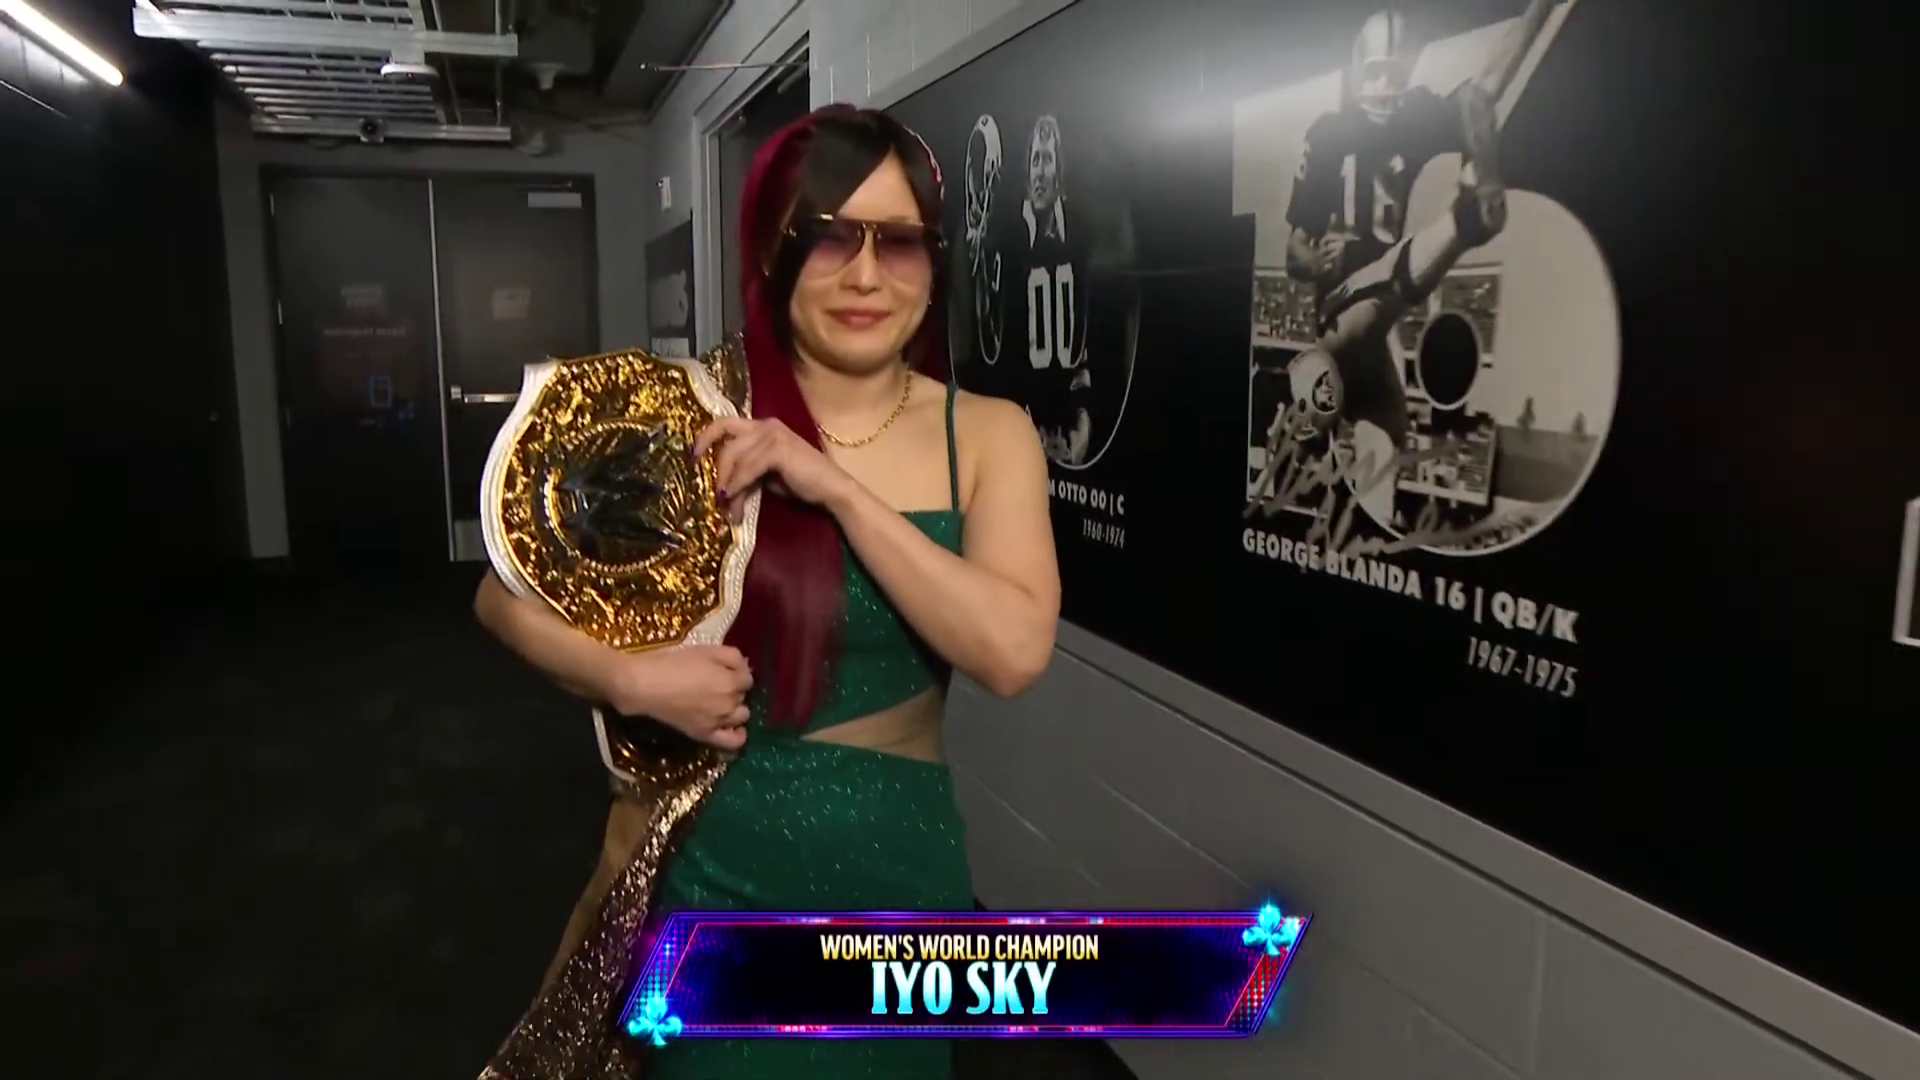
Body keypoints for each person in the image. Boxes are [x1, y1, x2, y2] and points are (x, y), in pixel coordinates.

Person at [474, 104, 1061, 1079]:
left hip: (897, 884)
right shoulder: (694, 410)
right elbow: (502, 597)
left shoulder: (990, 434)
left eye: (899, 242)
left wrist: (834, 488)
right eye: (830, 238)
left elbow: (1011, 651)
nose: (866, 276)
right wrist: (629, 681)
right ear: (772, 251)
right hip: (717, 872)